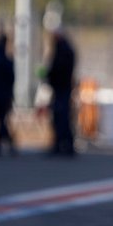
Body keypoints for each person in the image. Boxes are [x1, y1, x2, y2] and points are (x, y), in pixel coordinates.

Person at [45, 29, 77, 157]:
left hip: (62, 89)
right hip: (61, 88)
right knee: (61, 117)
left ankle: (63, 144)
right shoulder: (65, 50)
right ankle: (63, 144)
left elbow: (58, 69)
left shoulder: (63, 51)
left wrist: (50, 75)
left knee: (61, 117)